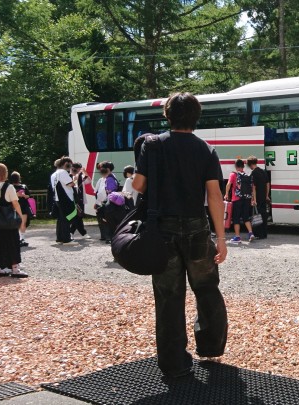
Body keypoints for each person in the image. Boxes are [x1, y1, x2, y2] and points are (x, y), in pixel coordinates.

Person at [132, 92, 228, 379]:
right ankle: (210, 346)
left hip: (163, 229)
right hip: (197, 227)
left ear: (167, 115)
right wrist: (221, 238)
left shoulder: (153, 146)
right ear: (197, 117)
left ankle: (174, 363)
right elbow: (214, 196)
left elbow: (138, 185)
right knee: (207, 288)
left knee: (168, 296)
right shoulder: (206, 149)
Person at [0, 163, 28, 278]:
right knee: (12, 242)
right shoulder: (9, 187)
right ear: (5, 174)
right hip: (8, 220)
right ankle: (15, 268)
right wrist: (20, 218)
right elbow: (15, 203)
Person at [224, 159, 256, 243]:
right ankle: (251, 233)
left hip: (236, 199)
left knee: (236, 218)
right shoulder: (247, 175)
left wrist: (226, 194)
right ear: (243, 166)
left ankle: (237, 237)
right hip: (246, 199)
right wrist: (253, 198)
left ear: (235, 166)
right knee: (246, 217)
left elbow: (228, 184)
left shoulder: (233, 174)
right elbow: (252, 187)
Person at [52, 156, 79, 246]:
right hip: (65, 198)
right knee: (66, 219)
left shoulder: (54, 174)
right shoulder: (63, 172)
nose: (70, 166)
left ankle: (60, 238)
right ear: (65, 164)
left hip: (58, 198)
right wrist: (75, 179)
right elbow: (70, 184)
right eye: (69, 164)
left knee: (61, 219)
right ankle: (67, 239)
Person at [94, 161, 119, 243]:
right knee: (106, 220)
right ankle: (107, 237)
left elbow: (109, 193)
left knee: (107, 220)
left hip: (108, 203)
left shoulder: (109, 179)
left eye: (102, 168)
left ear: (107, 169)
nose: (100, 170)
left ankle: (109, 238)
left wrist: (101, 203)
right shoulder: (110, 177)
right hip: (107, 202)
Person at [247, 156, 270, 239]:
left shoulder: (254, 173)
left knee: (257, 216)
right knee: (264, 215)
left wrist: (254, 200)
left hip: (258, 198)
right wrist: (267, 195)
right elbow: (267, 184)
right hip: (263, 197)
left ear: (250, 164)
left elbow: (253, 187)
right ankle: (264, 234)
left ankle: (258, 234)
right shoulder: (263, 171)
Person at [10, 171, 32, 248]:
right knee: (17, 223)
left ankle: (22, 238)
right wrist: (17, 195)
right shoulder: (10, 187)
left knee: (23, 223)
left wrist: (24, 195)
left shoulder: (23, 186)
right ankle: (17, 238)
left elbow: (29, 196)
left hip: (23, 206)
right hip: (14, 207)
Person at [70, 162, 90, 238]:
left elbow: (89, 181)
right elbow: (71, 185)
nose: (78, 171)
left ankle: (72, 232)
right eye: (77, 169)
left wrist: (85, 172)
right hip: (73, 199)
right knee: (76, 217)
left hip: (81, 199)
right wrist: (75, 179)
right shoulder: (69, 176)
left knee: (79, 216)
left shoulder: (81, 176)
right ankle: (82, 233)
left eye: (79, 169)